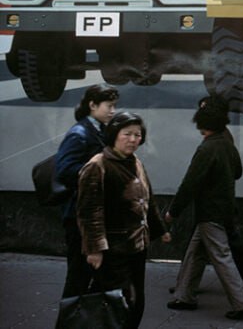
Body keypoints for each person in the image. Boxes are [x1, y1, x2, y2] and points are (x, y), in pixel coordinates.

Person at [165, 97, 243, 320]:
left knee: (221, 257)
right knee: (196, 252)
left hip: (209, 211)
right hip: (225, 208)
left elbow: (189, 184)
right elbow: (238, 172)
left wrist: (173, 211)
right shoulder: (226, 142)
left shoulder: (206, 149)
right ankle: (184, 295)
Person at [77, 111, 171, 329]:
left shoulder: (134, 161)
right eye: (127, 134)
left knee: (136, 301)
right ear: (114, 135)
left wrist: (160, 229)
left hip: (137, 246)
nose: (133, 140)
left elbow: (148, 198)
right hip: (113, 250)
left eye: (137, 135)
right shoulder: (98, 165)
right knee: (119, 303)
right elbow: (90, 211)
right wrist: (94, 249)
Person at [54, 84, 119, 299]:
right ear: (92, 105)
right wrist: (99, 174)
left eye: (114, 106)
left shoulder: (99, 130)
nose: (113, 111)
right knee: (78, 277)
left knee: (95, 276)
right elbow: (64, 170)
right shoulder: (80, 133)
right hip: (79, 215)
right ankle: (69, 319)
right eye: (109, 106)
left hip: (92, 215)